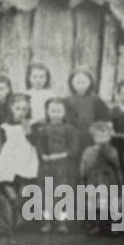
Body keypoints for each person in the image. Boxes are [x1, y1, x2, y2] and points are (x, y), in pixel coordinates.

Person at [34, 97, 80, 233]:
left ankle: (62, 222)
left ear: (65, 112)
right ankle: (47, 222)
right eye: (52, 110)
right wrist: (44, 156)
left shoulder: (69, 129)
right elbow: (40, 147)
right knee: (46, 193)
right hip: (47, 166)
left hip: (64, 166)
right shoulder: (43, 129)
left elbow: (74, 149)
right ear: (47, 112)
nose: (55, 113)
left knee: (63, 192)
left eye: (59, 110)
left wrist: (58, 156)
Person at [0, 94, 40, 218]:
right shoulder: (5, 125)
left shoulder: (31, 123)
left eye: (24, 109)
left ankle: (20, 210)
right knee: (6, 180)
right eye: (18, 109)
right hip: (9, 155)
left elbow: (35, 141)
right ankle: (15, 207)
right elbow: (2, 143)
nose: (21, 112)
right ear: (11, 109)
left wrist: (26, 126)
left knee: (24, 181)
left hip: (27, 155)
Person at [80, 119, 124, 234]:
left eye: (105, 137)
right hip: (94, 179)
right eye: (99, 137)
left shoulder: (112, 150)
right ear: (93, 138)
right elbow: (84, 167)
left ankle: (113, 225)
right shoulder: (89, 151)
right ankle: (96, 225)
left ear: (109, 137)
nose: (102, 140)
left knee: (112, 201)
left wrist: (120, 182)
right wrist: (83, 180)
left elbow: (116, 165)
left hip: (110, 179)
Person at [65, 67, 110, 148]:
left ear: (90, 82)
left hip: (91, 137)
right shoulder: (67, 100)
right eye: (78, 82)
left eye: (84, 82)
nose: (81, 85)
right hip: (73, 137)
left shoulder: (96, 100)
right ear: (71, 83)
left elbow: (104, 119)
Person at [22, 62, 54, 127]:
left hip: (48, 126)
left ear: (47, 78)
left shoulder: (52, 95)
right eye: (34, 77)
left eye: (42, 77)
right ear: (29, 78)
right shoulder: (25, 95)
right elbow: (22, 115)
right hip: (29, 126)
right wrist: (26, 130)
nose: (38, 80)